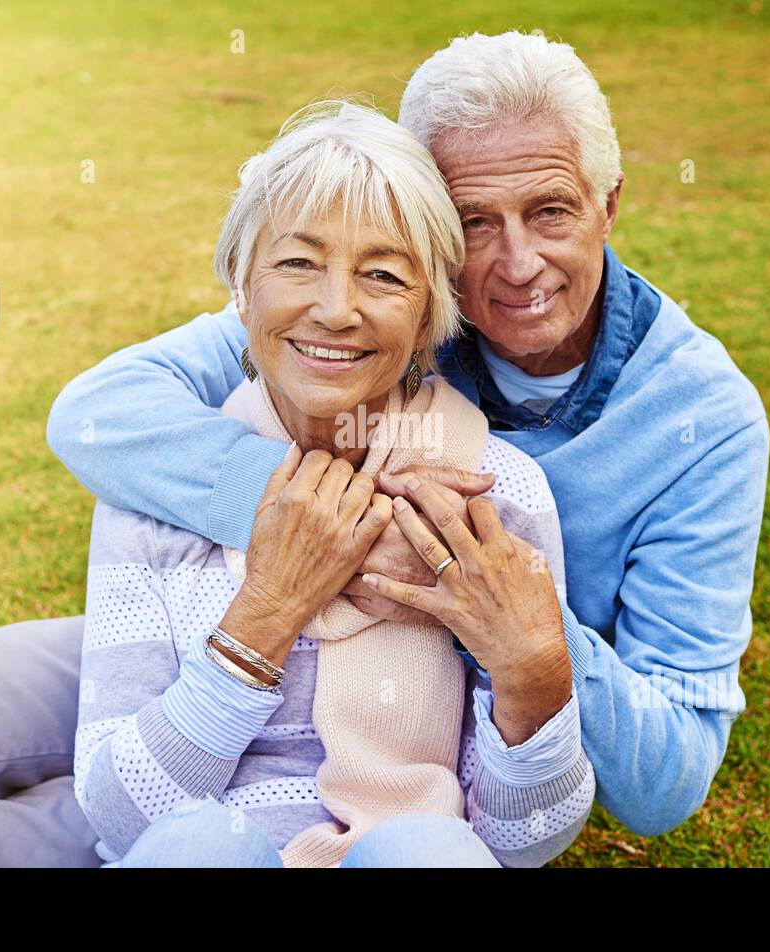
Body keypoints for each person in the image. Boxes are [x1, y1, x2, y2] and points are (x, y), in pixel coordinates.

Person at [0, 30, 767, 867]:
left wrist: (507, 616)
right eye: (470, 224)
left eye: (549, 212)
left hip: (434, 710)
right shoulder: (355, 302)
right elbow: (98, 414)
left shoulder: (701, 417)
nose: (514, 266)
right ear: (432, 235)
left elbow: (670, 772)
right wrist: (329, 526)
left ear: (610, 204)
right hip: (237, 639)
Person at [77, 100, 592, 866]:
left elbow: (522, 843)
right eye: (297, 263)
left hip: (413, 847)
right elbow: (121, 816)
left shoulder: (495, 496)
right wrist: (267, 612)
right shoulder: (157, 494)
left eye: (382, 274)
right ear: (240, 287)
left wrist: (533, 673)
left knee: (426, 851)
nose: (335, 308)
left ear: (427, 320)